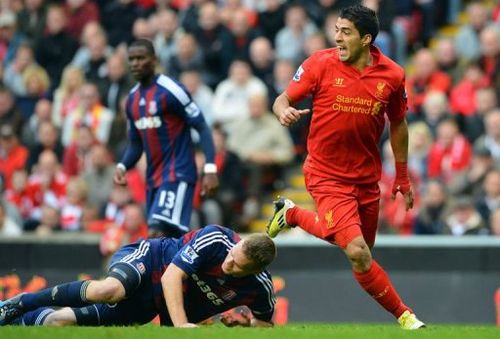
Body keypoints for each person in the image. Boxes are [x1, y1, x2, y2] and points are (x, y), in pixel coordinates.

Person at [267, 5, 425, 330]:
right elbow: (282, 99)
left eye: (346, 32)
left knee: (359, 249)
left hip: (367, 179)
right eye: (336, 30)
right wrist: (283, 111)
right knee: (357, 252)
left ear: (366, 39)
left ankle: (292, 214)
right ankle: (406, 317)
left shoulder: (392, 75)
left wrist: (403, 176)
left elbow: (398, 124)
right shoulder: (319, 64)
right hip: (325, 174)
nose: (337, 37)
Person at [0, 225, 276, 328]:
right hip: (149, 261)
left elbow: (263, 325)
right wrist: (181, 326)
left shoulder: (260, 288)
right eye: (232, 255)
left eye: (238, 266)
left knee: (59, 323)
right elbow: (171, 277)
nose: (229, 263)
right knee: (110, 290)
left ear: (255, 271)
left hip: (151, 304)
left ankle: (17, 323)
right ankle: (23, 302)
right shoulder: (217, 239)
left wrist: (242, 325)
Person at [113, 39, 219, 238]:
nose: (135, 63)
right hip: (153, 178)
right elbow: (136, 144)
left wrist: (210, 168)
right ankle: (192, 268)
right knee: (170, 238)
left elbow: (202, 127)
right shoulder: (132, 100)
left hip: (178, 172)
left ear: (154, 60)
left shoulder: (172, 90)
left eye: (141, 58)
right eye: (132, 59)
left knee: (157, 232)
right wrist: (122, 166)